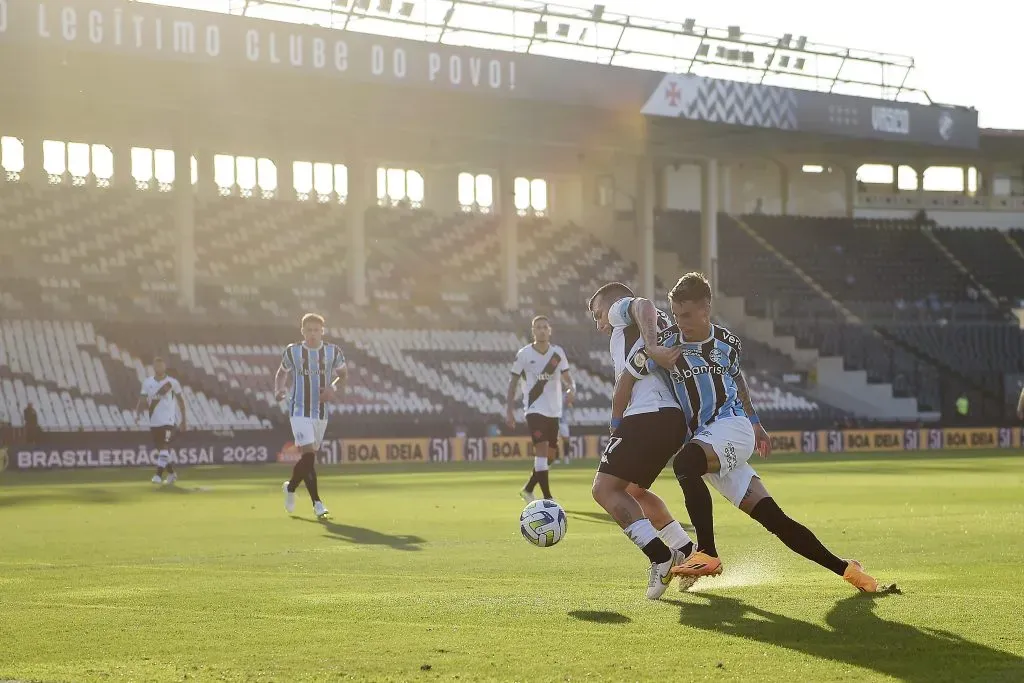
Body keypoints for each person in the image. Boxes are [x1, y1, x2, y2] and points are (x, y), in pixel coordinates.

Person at [613, 272, 884, 593]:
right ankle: (850, 571)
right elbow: (629, 375)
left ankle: (707, 552)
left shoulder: (726, 342)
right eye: (674, 314)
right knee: (775, 520)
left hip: (732, 428)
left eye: (686, 315)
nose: (679, 321)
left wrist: (755, 421)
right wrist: (621, 422)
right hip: (706, 443)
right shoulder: (667, 343)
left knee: (685, 464)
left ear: (706, 309)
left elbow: (736, 379)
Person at [587, 282, 697, 600]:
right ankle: (686, 551)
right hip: (670, 418)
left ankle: (660, 556)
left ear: (611, 304)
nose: (599, 324)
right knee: (633, 491)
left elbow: (643, 303)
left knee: (603, 490)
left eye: (598, 315)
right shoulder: (654, 321)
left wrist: (650, 347)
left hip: (647, 414)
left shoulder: (625, 310)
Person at [275, 313, 347, 520]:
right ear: (302, 331)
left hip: (321, 412)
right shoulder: (294, 351)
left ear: (322, 331)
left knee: (309, 459)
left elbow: (343, 375)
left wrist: (332, 389)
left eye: (316, 330)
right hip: (298, 409)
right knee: (308, 455)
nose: (313, 334)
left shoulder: (333, 352)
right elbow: (282, 372)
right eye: (309, 330)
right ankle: (317, 503)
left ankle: (290, 487)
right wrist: (278, 389)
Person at [506, 316, 575, 502]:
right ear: (533, 331)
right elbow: (512, 382)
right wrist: (509, 409)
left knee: (550, 456)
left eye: (545, 327)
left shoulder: (557, 354)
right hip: (534, 408)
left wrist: (572, 388)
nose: (542, 330)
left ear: (550, 330)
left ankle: (528, 489)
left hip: (554, 410)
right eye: (538, 327)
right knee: (542, 451)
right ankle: (547, 498)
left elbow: (568, 378)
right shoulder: (524, 354)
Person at [135, 356, 187, 485]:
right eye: (157, 365)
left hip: (169, 421)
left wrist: (184, 420)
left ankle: (158, 475)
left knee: (164, 446)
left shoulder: (172, 382)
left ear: (165, 367)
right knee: (162, 450)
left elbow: (181, 401)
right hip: (154, 421)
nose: (159, 367)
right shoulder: (147, 383)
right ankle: (171, 474)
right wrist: (137, 413)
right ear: (154, 367)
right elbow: (142, 399)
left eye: (161, 365)